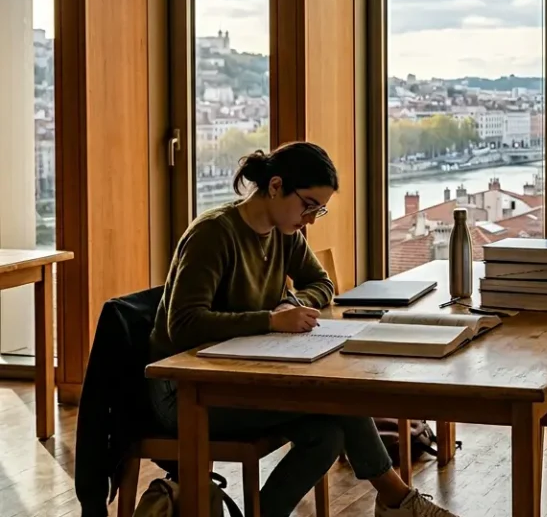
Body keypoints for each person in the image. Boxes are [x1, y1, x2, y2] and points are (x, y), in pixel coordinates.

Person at [146, 142, 452, 517]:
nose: (311, 219)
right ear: (275, 186)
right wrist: (269, 320)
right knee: (339, 399)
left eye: (318, 209)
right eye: (308, 205)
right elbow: (184, 326)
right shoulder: (213, 235)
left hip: (241, 374)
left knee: (327, 435)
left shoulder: (283, 233)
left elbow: (322, 284)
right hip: (185, 393)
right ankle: (397, 500)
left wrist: (293, 303)